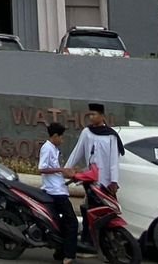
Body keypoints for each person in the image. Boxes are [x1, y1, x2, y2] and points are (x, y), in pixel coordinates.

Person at [63, 103, 123, 245]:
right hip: (91, 179)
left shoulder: (111, 135)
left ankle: (105, 241)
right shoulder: (87, 132)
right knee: (89, 210)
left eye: (94, 114)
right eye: (90, 114)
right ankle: (88, 240)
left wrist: (114, 181)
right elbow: (77, 151)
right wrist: (67, 169)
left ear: (102, 116)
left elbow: (114, 160)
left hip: (106, 182)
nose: (91, 117)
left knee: (105, 212)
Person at [39, 123, 77, 264]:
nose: (62, 140)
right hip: (55, 192)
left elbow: (54, 169)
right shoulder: (47, 148)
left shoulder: (54, 149)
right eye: (61, 137)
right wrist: (61, 170)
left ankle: (60, 251)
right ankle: (69, 254)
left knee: (60, 222)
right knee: (72, 222)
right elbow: (42, 169)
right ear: (55, 136)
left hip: (59, 189)